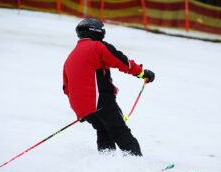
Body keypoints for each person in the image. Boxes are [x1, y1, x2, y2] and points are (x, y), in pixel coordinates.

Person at [63, 18, 155, 156]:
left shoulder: (71, 57)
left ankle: (107, 164)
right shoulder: (97, 46)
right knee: (121, 132)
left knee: (104, 130)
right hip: (101, 101)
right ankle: (136, 166)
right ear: (96, 31)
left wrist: (81, 113)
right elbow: (122, 61)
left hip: (82, 108)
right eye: (102, 29)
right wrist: (142, 73)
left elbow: (67, 88)